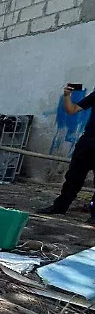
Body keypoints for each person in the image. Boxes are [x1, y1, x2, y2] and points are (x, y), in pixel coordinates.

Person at [38, 84, 95, 224]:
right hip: (88, 142)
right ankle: (60, 207)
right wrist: (67, 95)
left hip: (88, 142)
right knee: (73, 177)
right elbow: (71, 110)